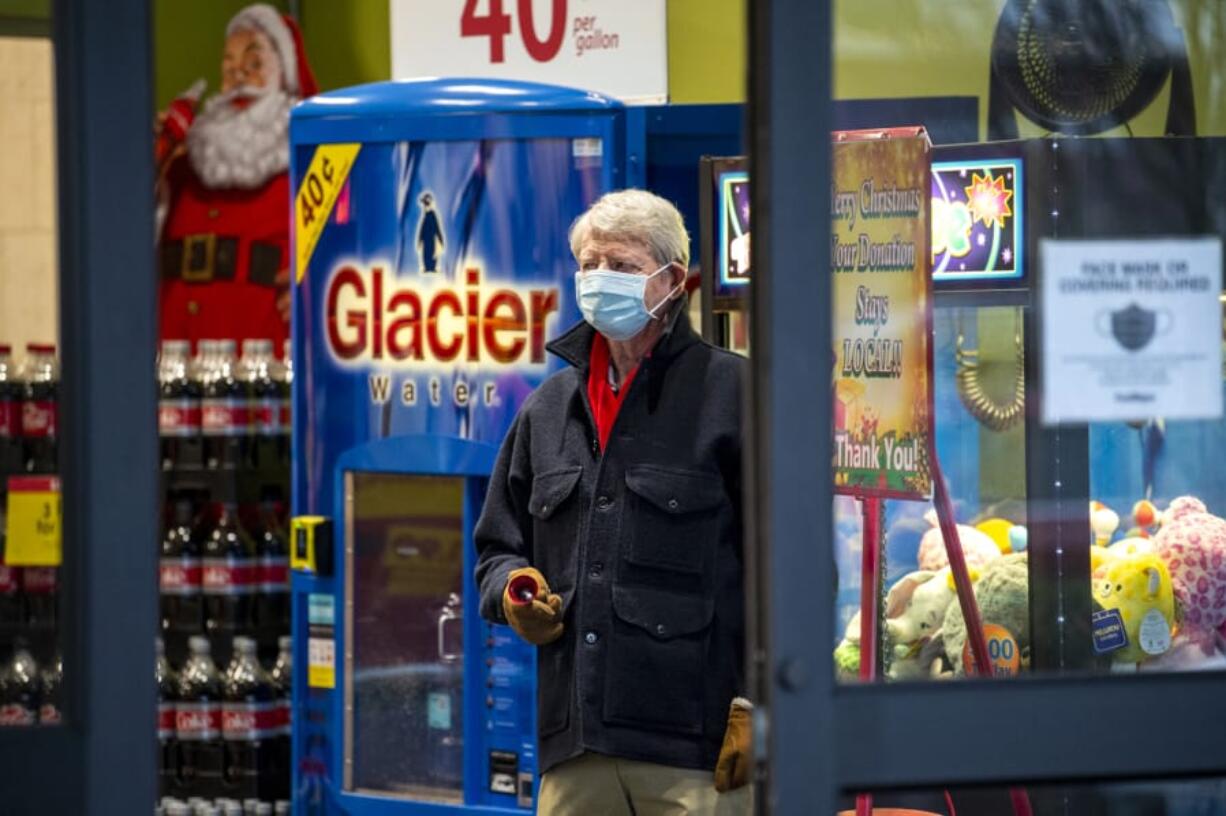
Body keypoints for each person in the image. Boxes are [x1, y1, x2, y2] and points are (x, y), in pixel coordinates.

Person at [475, 189, 751, 814]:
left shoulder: (734, 396)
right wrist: (514, 589)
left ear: (672, 280)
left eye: (621, 267)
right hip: (576, 751)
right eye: (588, 265)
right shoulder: (547, 410)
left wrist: (761, 702)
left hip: (699, 754)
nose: (599, 280)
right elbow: (497, 546)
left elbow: (795, 564)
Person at [156, 4, 317, 354]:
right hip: (173, 363)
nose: (238, 77)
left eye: (254, 64)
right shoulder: (183, 167)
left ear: (283, 76)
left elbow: (356, 253)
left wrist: (321, 288)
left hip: (258, 371)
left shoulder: (311, 170)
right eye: (228, 66)